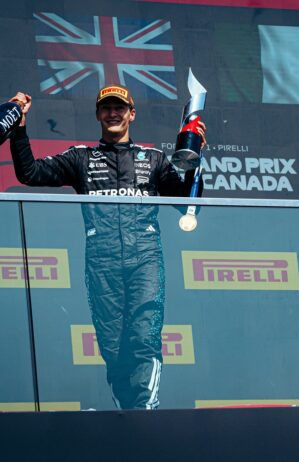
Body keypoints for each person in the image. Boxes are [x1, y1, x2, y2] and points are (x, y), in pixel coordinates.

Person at [9, 84, 206, 409]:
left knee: (143, 339)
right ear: (98, 114)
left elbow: (190, 205)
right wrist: (19, 130)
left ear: (132, 114)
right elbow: (29, 173)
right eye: (106, 108)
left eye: (119, 108)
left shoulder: (153, 160)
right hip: (101, 264)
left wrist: (196, 158)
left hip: (145, 261)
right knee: (113, 350)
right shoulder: (81, 158)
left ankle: (145, 412)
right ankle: (129, 417)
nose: (113, 113)